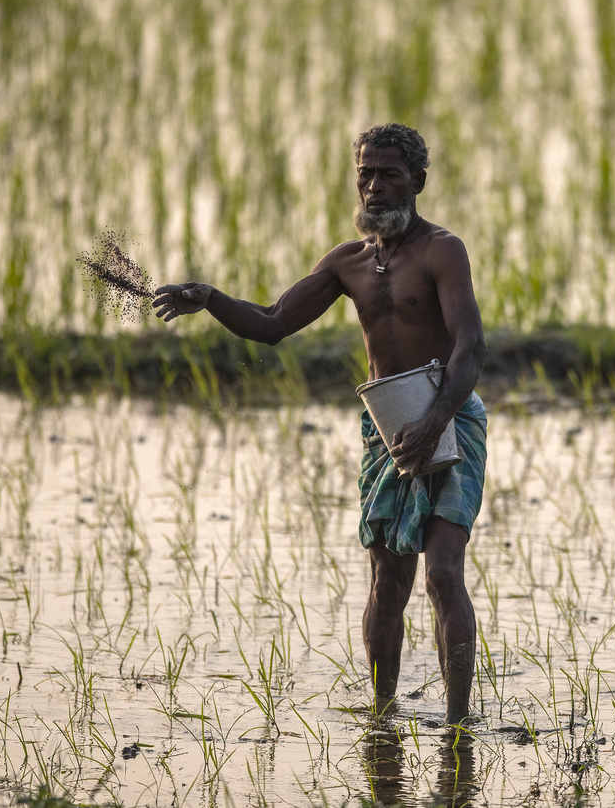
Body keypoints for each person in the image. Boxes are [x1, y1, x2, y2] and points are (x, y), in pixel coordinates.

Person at [152, 123, 488, 725]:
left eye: (389, 174)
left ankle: (459, 726)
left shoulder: (443, 250)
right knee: (388, 582)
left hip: (449, 415)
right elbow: (274, 321)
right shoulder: (348, 263)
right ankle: (383, 717)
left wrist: (436, 418)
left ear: (418, 181)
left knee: (441, 573)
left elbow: (470, 349)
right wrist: (208, 297)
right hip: (386, 430)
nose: (374, 187)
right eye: (365, 174)